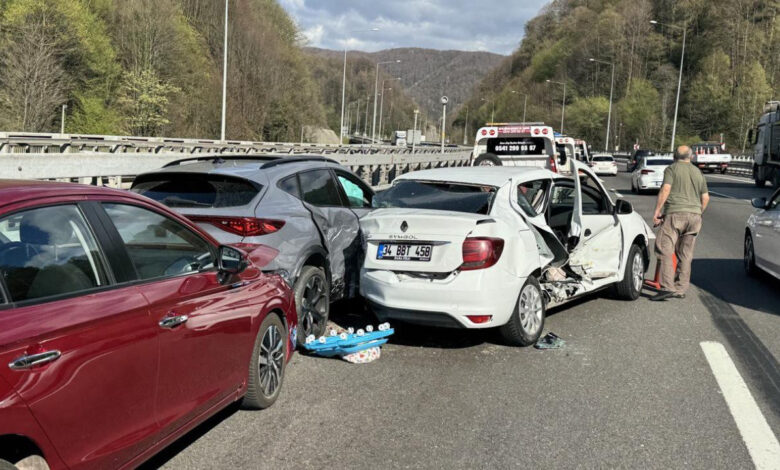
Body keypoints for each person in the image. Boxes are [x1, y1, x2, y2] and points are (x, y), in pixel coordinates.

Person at [650, 145, 710, 301]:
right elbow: (705, 198)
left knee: (664, 248)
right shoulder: (698, 172)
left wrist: (657, 211)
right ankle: (680, 289)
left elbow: (666, 189)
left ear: (674, 156)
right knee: (686, 254)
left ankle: (667, 287)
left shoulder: (672, 169)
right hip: (695, 216)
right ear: (691, 156)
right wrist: (697, 212)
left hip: (675, 214)